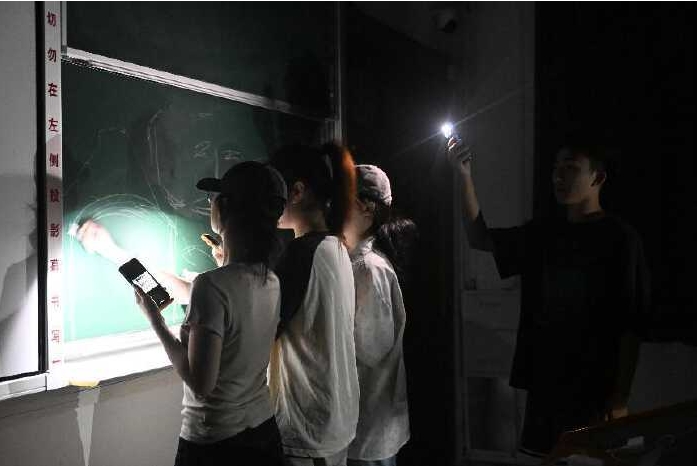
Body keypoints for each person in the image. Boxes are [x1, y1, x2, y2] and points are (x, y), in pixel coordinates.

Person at [447, 139, 650, 457]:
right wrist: (463, 175)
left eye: (570, 168)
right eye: (556, 169)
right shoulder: (545, 233)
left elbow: (631, 324)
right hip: (545, 385)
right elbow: (479, 238)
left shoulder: (620, 239)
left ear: (598, 177)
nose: (558, 177)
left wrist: (620, 398)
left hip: (594, 389)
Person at [134, 161, 289, 466]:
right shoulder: (270, 279)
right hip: (263, 433)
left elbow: (201, 384)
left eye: (213, 198)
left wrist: (156, 321)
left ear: (225, 206)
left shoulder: (211, 286)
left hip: (216, 442)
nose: (210, 205)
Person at [268, 143, 360, 466]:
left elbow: (264, 326)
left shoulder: (301, 253)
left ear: (296, 191)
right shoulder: (336, 247)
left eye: (273, 190)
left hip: (307, 427)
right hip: (334, 417)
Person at [343, 165, 416, 466]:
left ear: (365, 207)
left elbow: (371, 348)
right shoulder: (355, 261)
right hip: (364, 426)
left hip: (369, 428)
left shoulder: (369, 268)